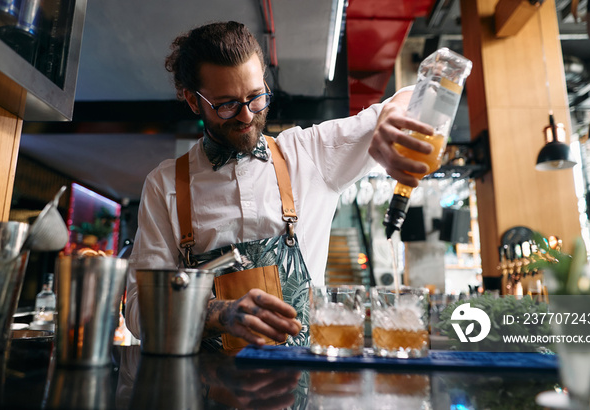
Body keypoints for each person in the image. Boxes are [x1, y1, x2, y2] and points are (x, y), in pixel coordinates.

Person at [124, 21, 434, 349]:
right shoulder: (165, 185)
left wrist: (392, 116)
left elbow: (421, 95)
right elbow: (137, 312)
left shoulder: (309, 153)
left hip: (302, 389)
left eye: (256, 97)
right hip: (203, 390)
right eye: (227, 104)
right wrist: (218, 313)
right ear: (192, 101)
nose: (246, 116)